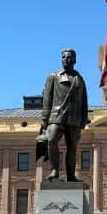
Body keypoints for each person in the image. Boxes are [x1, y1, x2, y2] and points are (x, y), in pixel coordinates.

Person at [40, 48, 90, 182]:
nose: (65, 60)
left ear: (74, 60)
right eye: (63, 57)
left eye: (68, 57)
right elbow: (47, 98)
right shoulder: (53, 76)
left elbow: (84, 101)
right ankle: (54, 170)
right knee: (51, 140)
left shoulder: (80, 79)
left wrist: (84, 118)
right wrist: (45, 119)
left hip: (74, 118)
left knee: (72, 147)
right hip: (56, 115)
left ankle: (71, 175)